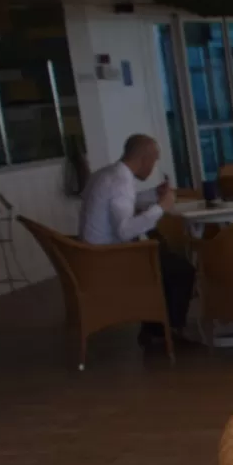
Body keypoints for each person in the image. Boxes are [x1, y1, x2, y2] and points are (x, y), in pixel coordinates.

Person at [79, 134, 195, 343]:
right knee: (182, 269)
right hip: (107, 259)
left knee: (163, 251)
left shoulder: (107, 174)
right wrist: (162, 207)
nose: (153, 167)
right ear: (144, 159)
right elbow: (124, 231)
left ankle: (156, 328)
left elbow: (123, 203)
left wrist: (154, 194)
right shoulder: (120, 183)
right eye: (154, 161)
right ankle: (164, 332)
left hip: (91, 253)